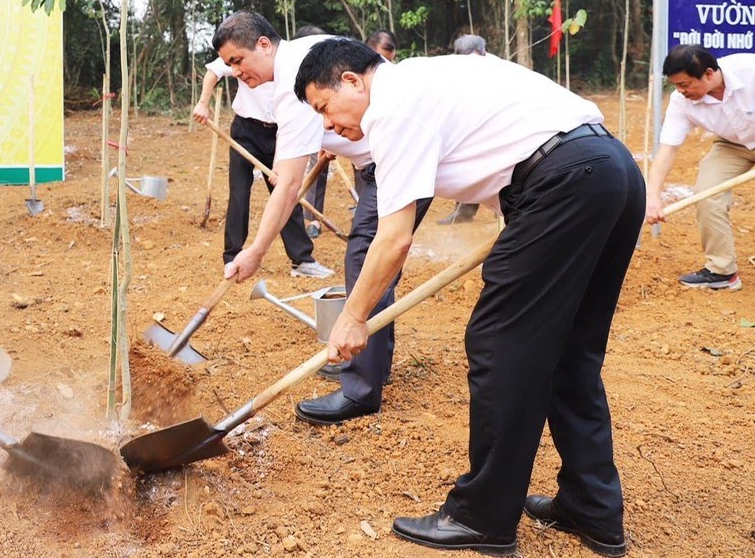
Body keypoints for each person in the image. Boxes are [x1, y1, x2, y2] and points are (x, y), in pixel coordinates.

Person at [295, 37, 641, 557]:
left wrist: (352, 317)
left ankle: (483, 517)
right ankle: (592, 507)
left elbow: (393, 237)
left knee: (501, 345)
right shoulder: (428, 80)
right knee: (571, 352)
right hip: (609, 169)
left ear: (351, 80)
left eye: (323, 107)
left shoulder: (393, 103)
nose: (327, 124)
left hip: (566, 180)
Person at [213, 13, 429, 423]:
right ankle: (369, 362)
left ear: (263, 44)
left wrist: (256, 250)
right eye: (229, 66)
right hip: (379, 160)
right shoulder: (306, 56)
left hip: (392, 162)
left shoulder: (294, 83)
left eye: (238, 60)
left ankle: (361, 389)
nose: (236, 72)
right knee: (369, 262)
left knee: (365, 259)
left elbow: (289, 184)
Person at [193, 39, 330, 279]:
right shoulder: (243, 60)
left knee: (286, 192)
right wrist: (203, 103)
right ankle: (233, 257)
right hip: (246, 131)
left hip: (280, 132)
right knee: (239, 194)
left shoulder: (290, 67)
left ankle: (301, 259)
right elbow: (213, 71)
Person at [645, 44, 754, 291]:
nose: (680, 91)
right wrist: (653, 196)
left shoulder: (750, 70)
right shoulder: (681, 102)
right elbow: (667, 150)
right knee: (708, 193)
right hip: (732, 145)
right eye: (676, 86)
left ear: (708, 74)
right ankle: (722, 271)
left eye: (684, 85)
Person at [438, 34, 488, 225]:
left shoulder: (496, 71)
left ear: (483, 53)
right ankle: (464, 212)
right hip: (467, 131)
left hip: (494, 130)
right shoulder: (453, 75)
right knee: (468, 167)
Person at [293, 25, 332, 239]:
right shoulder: (293, 75)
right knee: (315, 168)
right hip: (309, 130)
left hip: (337, 127)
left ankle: (368, 210)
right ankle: (312, 219)